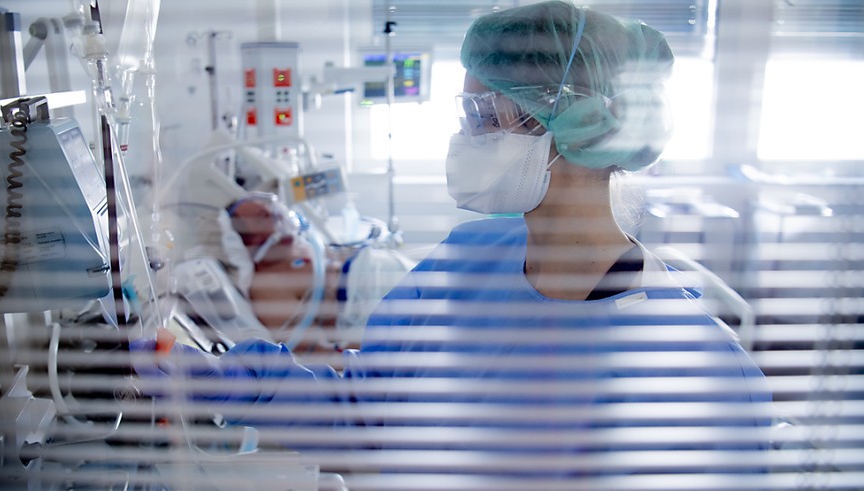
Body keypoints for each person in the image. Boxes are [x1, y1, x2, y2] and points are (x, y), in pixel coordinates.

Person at [136, 0, 772, 481]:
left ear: (571, 121)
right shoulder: (466, 265)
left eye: (481, 116)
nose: (463, 138)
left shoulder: (691, 373)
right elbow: (366, 412)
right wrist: (238, 384)